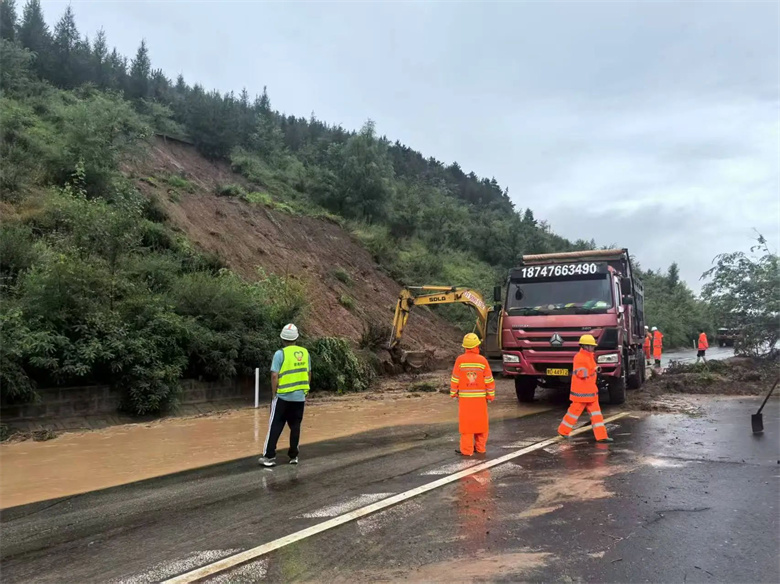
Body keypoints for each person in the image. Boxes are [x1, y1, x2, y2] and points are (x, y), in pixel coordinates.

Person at [259, 323, 311, 468]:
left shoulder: (279, 354)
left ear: (282, 338)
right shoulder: (305, 353)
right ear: (296, 338)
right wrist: (305, 391)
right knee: (295, 426)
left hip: (282, 397)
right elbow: (308, 373)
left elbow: (274, 375)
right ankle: (293, 456)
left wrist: (274, 394)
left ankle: (269, 456)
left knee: (275, 425)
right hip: (299, 398)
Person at [557, 334, 613, 443]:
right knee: (574, 413)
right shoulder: (579, 357)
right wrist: (594, 370)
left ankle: (602, 436)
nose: (593, 348)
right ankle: (563, 431)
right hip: (581, 393)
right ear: (585, 346)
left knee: (596, 415)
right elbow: (581, 373)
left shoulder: (589, 356)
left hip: (590, 391)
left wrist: (594, 369)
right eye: (592, 346)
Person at [450, 333, 495, 456]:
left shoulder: (460, 360)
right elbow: (489, 379)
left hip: (465, 401)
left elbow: (455, 378)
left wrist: (453, 393)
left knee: (467, 427)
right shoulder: (482, 360)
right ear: (477, 346)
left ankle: (467, 451)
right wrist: (490, 395)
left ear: (465, 347)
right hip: (480, 400)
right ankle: (480, 448)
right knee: (481, 425)